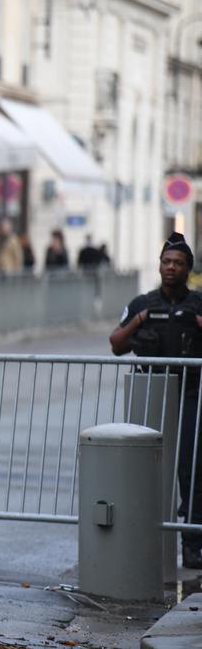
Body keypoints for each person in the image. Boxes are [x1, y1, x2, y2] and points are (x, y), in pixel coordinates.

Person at [109, 232, 202, 569]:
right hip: (151, 396)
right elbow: (116, 344)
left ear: (187, 268)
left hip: (191, 396)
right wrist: (137, 322)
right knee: (143, 470)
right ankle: (140, 538)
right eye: (166, 262)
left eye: (178, 263)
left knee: (192, 471)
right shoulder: (142, 304)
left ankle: (192, 544)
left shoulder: (198, 304)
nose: (171, 268)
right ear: (159, 266)